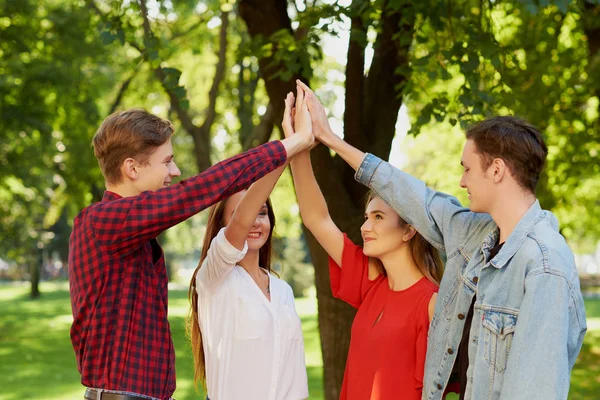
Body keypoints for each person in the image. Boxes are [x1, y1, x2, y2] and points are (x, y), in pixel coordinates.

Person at [295, 80, 587, 400]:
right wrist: (328, 137)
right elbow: (414, 196)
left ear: (497, 170)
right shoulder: (477, 236)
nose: (462, 182)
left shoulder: (544, 266)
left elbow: (533, 389)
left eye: (467, 169)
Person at [68, 107, 314, 400]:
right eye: (167, 162)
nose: (175, 172)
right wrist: (289, 145)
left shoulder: (133, 238)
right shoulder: (102, 222)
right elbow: (196, 191)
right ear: (132, 168)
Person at [286, 89, 443, 400]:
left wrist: (329, 137)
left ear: (409, 230)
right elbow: (316, 219)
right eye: (367, 216)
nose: (365, 226)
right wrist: (298, 147)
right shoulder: (371, 282)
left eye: (378, 218)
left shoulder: (432, 302)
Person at [188, 88, 311, 400]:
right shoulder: (213, 277)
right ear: (221, 226)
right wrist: (290, 145)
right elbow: (240, 223)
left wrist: (296, 147)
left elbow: (293, 374)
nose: (256, 221)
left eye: (263, 212)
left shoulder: (282, 291)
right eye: (244, 214)